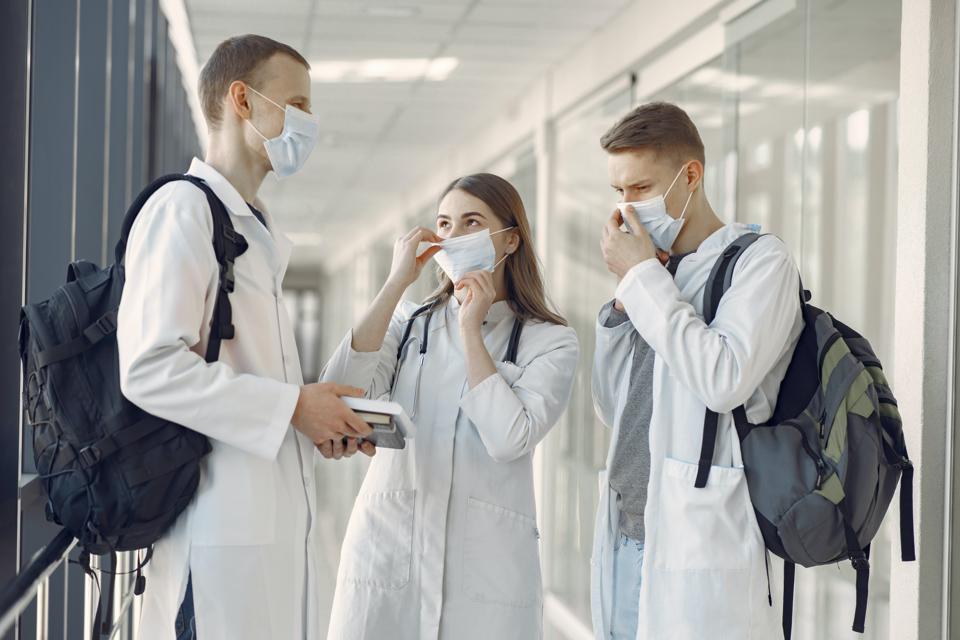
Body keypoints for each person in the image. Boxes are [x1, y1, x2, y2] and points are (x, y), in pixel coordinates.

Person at [117, 35, 373, 640]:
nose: (308, 123)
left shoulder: (250, 227)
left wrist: (310, 420)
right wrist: (291, 408)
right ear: (242, 100)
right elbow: (149, 368)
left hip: (258, 541)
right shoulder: (183, 209)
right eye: (297, 104)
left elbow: (247, 379)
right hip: (212, 551)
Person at [321, 173, 579, 640]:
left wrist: (470, 330)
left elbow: (508, 439)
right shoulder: (408, 322)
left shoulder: (551, 341)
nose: (454, 236)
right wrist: (396, 283)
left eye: (471, 222)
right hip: (387, 562)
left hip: (485, 581)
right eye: (444, 224)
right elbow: (338, 392)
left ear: (510, 240)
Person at [589, 102, 804, 639]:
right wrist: (624, 304)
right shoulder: (652, 273)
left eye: (640, 188)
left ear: (690, 176)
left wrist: (642, 277)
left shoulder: (759, 262)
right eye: (618, 191)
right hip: (626, 535)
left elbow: (723, 379)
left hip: (697, 546)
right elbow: (612, 408)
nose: (626, 208)